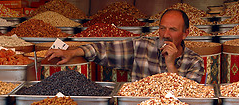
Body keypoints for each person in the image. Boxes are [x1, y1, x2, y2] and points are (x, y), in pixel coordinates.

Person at [46, 9, 204, 83]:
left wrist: (170, 65)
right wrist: (73, 52)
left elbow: (190, 98)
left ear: (185, 34)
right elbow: (104, 50)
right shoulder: (142, 46)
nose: (166, 34)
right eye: (162, 28)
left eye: (173, 30)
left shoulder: (194, 62)